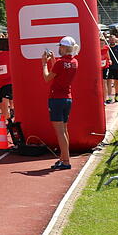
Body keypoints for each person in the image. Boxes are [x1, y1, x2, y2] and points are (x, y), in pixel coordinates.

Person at [43, 36, 79, 170]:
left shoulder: (60, 63)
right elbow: (60, 71)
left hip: (56, 98)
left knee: (60, 131)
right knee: (64, 129)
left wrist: (44, 64)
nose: (59, 48)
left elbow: (47, 77)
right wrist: (53, 60)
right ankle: (64, 158)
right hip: (67, 98)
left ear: (64, 47)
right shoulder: (75, 61)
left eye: (60, 46)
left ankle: (66, 160)